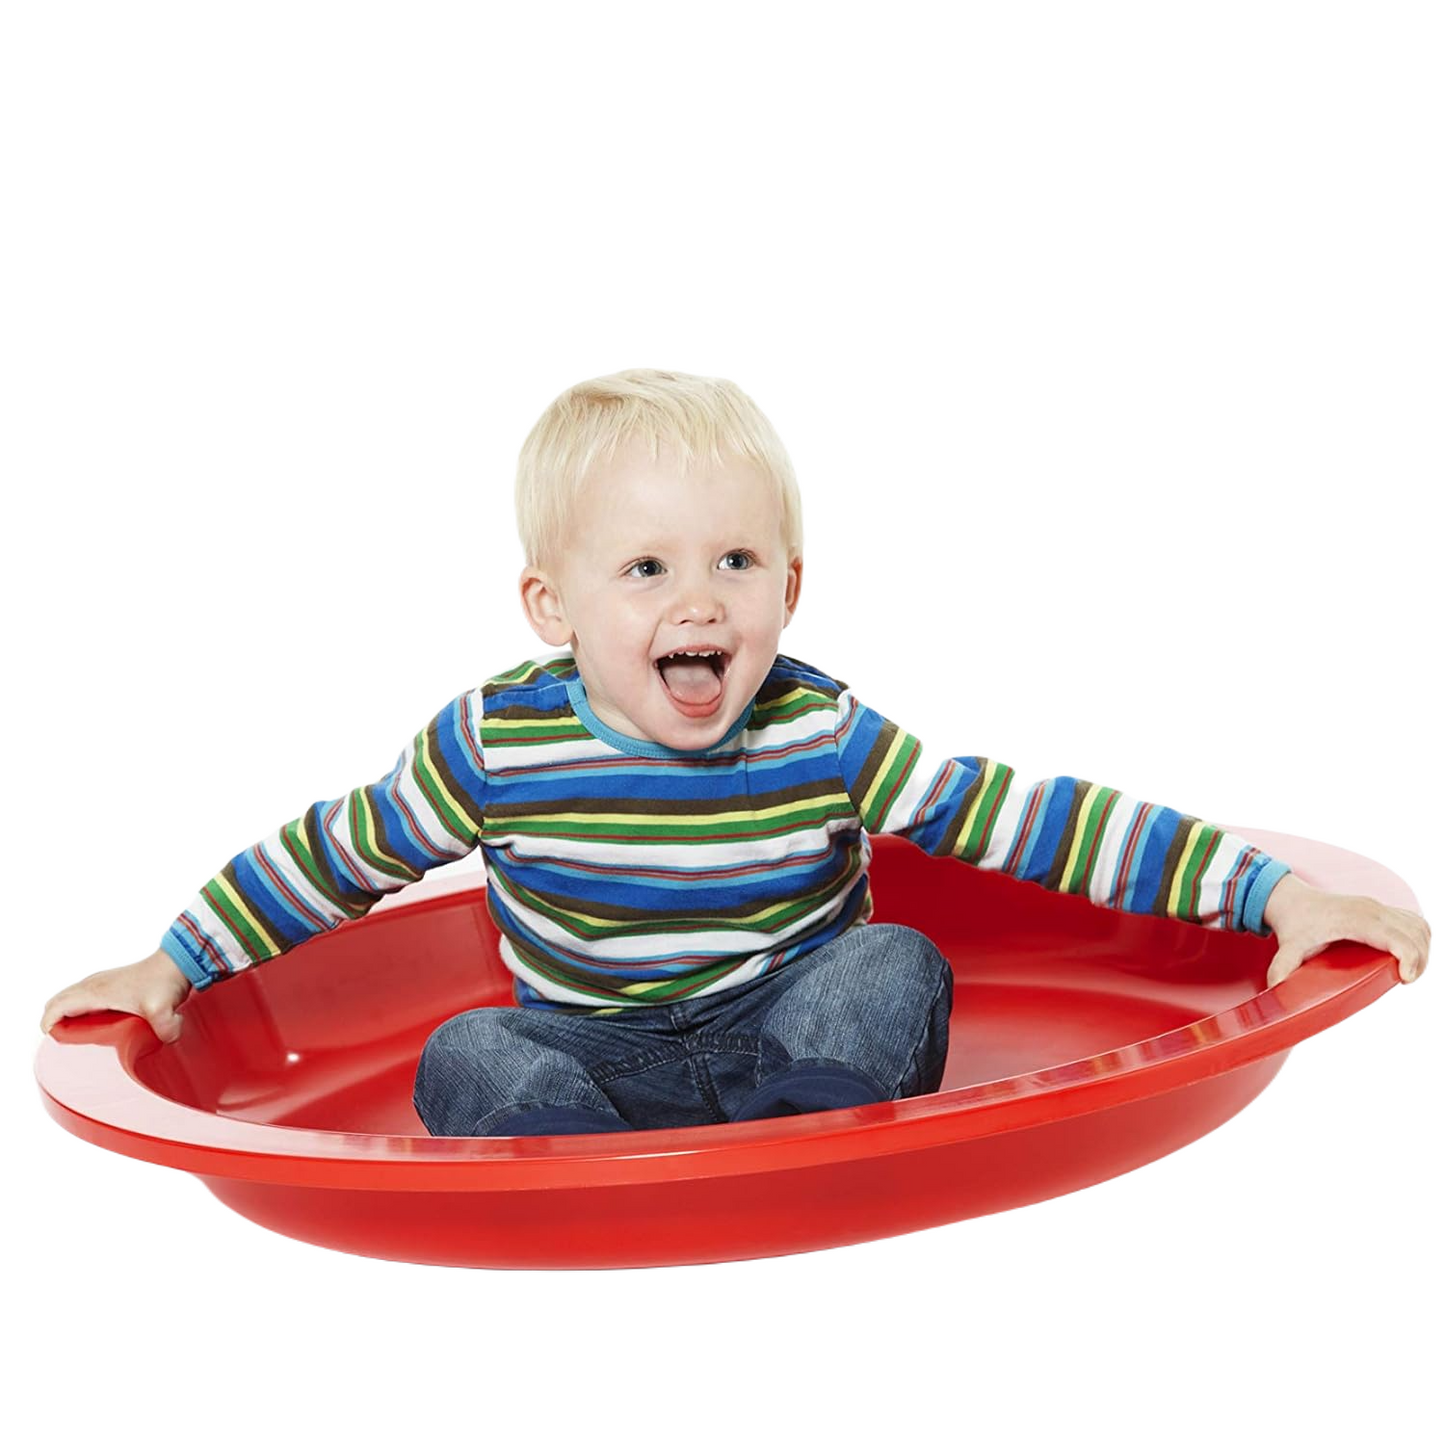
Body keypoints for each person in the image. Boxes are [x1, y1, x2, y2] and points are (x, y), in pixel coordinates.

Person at [39, 368, 1432, 1136]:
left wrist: (1272, 895)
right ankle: (587, 1154)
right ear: (552, 609)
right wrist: (175, 962)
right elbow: (330, 856)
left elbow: (1033, 819)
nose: (699, 602)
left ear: (791, 589)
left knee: (891, 964)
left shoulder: (820, 730)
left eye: (736, 562)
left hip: (790, 1026)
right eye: (645, 569)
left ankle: (811, 1128)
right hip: (586, 1051)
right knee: (471, 1055)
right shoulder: (495, 746)